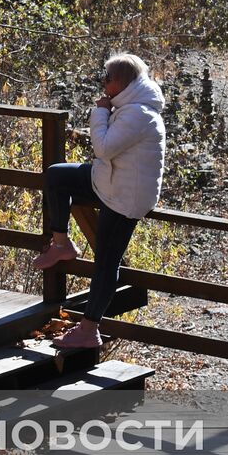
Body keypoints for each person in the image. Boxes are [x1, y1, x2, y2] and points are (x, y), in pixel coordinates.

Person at [33, 53, 166, 349]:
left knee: (106, 261)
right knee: (58, 176)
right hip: (111, 181)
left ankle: (89, 328)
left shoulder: (138, 113)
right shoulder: (131, 106)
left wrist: (100, 112)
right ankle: (61, 242)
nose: (103, 83)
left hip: (124, 198)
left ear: (121, 82)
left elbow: (104, 148)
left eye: (107, 78)